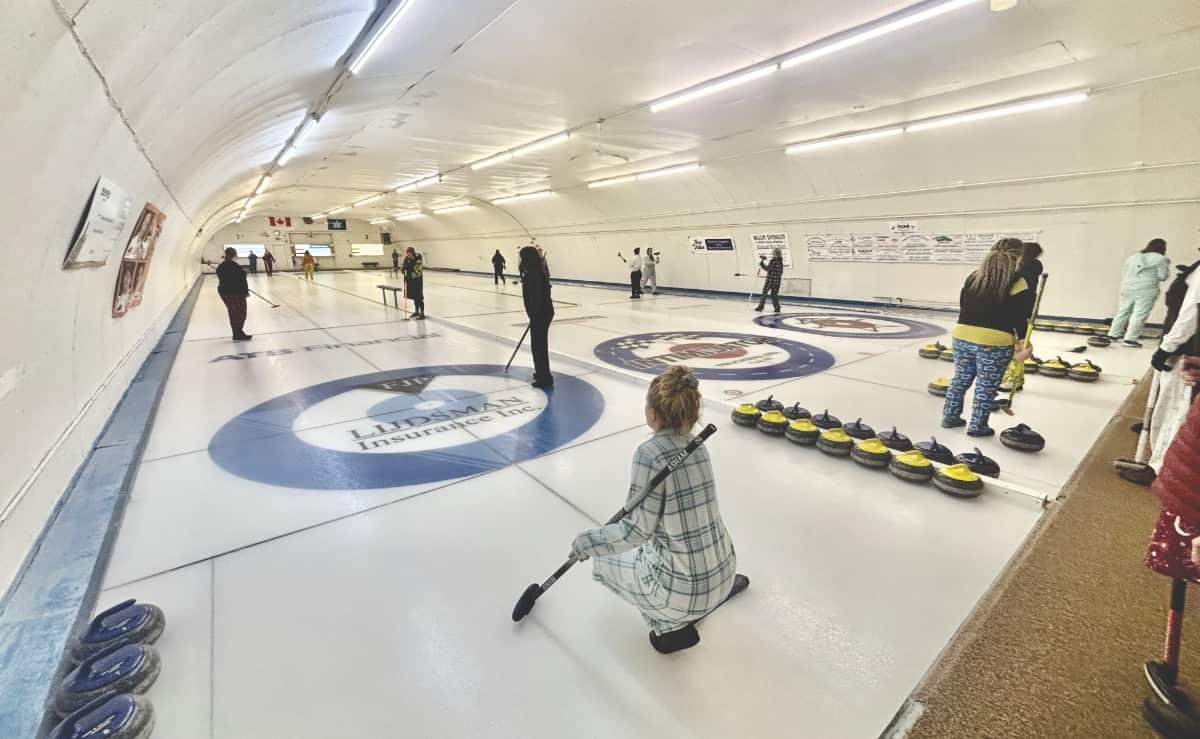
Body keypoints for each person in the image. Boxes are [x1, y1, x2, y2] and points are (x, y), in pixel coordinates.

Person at [571, 365, 746, 654]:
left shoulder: (648, 454)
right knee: (650, 551)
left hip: (684, 595)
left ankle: (668, 626)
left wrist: (587, 542)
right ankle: (702, 598)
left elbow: (635, 533)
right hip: (725, 572)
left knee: (602, 562)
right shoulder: (698, 448)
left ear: (653, 413)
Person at [942, 238, 1036, 437]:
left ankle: (950, 417)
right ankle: (977, 426)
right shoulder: (1018, 282)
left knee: (960, 379)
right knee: (986, 386)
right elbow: (1020, 316)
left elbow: (964, 304)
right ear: (1018, 258)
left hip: (962, 335)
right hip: (994, 341)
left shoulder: (973, 277)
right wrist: (1021, 343)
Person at [1107, 239, 1171, 347]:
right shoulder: (1161, 259)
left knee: (1123, 311)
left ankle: (1113, 335)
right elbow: (1162, 276)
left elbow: (1125, 272)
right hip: (1146, 289)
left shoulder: (1134, 257)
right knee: (1139, 314)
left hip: (1127, 287)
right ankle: (1130, 340)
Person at [520, 246, 554, 388]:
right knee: (539, 345)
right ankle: (541, 372)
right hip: (543, 312)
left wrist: (533, 315)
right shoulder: (538, 271)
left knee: (538, 346)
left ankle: (544, 377)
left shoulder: (533, 274)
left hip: (540, 314)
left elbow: (535, 298)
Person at [215, 247, 252, 341]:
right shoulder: (235, 266)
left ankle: (237, 333)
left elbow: (221, 276)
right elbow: (242, 280)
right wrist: (246, 292)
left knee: (233, 313)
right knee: (240, 313)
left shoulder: (221, 266)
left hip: (224, 292)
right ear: (234, 255)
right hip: (236, 293)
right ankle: (238, 333)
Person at [756, 248, 784, 313]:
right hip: (777, 281)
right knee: (774, 294)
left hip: (770, 280)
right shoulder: (781, 262)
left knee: (764, 293)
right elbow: (781, 272)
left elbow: (768, 269)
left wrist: (762, 264)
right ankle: (777, 307)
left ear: (774, 253)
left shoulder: (773, 260)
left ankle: (761, 306)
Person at [402, 246, 426, 319]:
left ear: (412, 253)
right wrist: (402, 268)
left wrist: (410, 276)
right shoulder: (407, 258)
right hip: (410, 281)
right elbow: (404, 265)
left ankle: (422, 313)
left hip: (417, 281)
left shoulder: (418, 259)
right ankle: (416, 311)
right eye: (407, 253)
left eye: (409, 253)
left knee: (419, 297)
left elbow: (418, 271)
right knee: (414, 296)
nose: (408, 254)